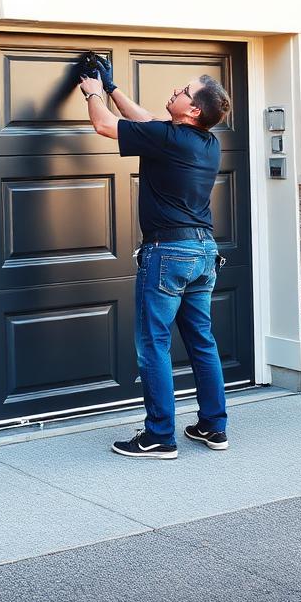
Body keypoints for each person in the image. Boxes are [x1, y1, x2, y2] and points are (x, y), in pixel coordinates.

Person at [79, 56, 232, 460]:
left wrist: (94, 95)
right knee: (202, 342)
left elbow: (104, 125)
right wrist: (113, 88)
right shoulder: (204, 141)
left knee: (154, 345)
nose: (175, 92)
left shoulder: (171, 139)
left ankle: (159, 437)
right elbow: (145, 122)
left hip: (169, 254)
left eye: (182, 91)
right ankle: (213, 427)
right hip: (203, 253)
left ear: (194, 109)